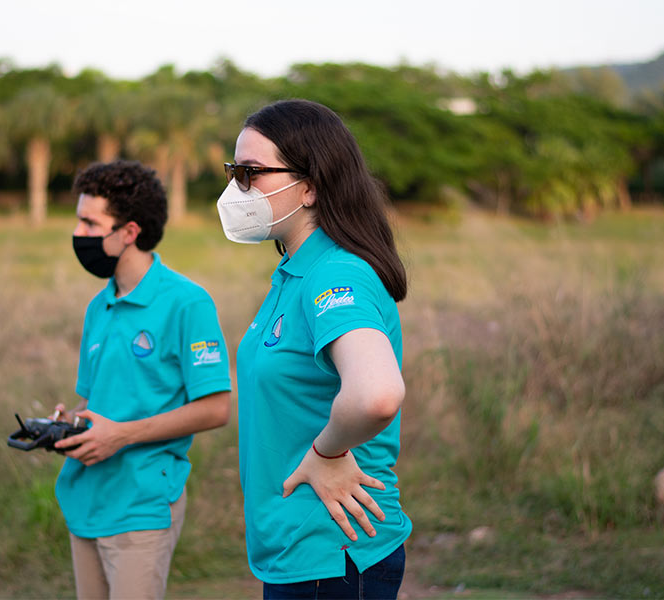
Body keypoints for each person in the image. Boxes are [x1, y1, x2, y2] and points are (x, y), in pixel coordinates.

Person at [216, 99, 411, 599]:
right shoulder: (294, 271)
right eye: (234, 171)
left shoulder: (335, 273)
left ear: (310, 187)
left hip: (332, 551)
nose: (238, 188)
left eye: (252, 173)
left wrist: (328, 452)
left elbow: (378, 394)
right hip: (297, 553)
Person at [52, 160, 232, 600]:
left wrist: (122, 437)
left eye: (89, 222)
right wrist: (67, 422)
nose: (78, 233)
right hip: (87, 502)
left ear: (129, 232)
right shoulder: (100, 306)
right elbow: (97, 402)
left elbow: (216, 408)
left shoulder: (187, 303)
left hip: (142, 506)